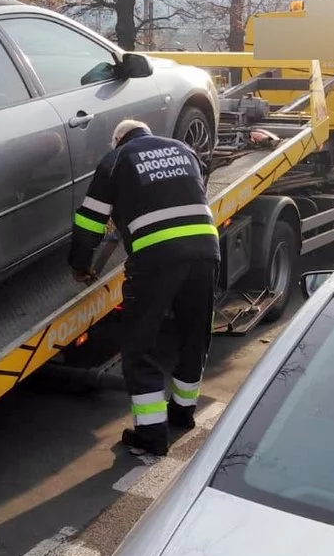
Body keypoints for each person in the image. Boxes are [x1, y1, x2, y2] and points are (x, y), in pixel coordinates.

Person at [69, 119, 220, 457]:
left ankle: (152, 437)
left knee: (140, 347)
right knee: (194, 334)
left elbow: (90, 219)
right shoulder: (184, 150)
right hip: (205, 251)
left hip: (157, 259)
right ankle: (182, 414)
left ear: (118, 139)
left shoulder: (117, 159)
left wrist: (80, 264)